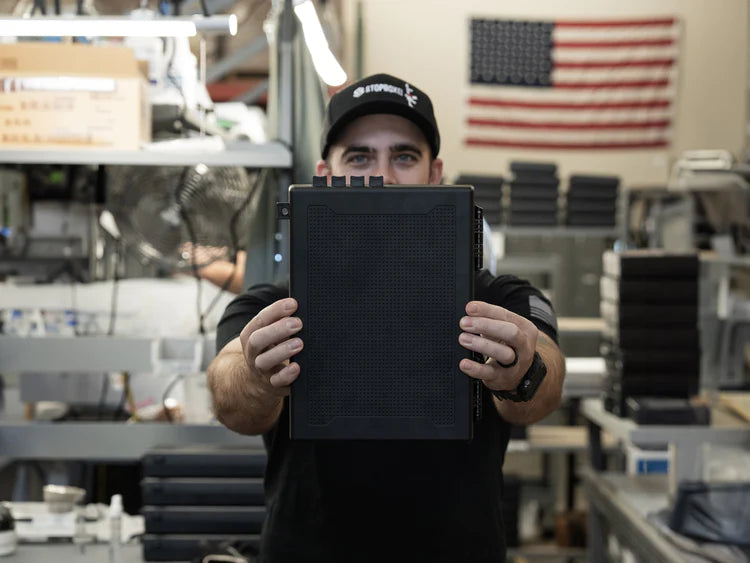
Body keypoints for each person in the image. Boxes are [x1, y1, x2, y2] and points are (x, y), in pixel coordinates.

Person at [207, 73, 566, 563]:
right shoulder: (272, 308)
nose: (385, 176)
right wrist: (254, 376)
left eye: (404, 157)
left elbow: (546, 379)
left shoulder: (497, 300)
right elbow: (229, 397)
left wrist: (523, 372)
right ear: (325, 175)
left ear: (435, 174)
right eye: (359, 157)